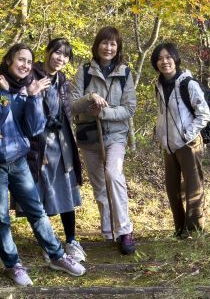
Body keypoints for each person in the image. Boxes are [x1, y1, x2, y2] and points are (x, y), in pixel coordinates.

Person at [0, 43, 86, 286]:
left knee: (37, 210)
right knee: (0, 216)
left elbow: (34, 129)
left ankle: (56, 256)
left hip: (18, 159)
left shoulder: (26, 88)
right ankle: (13, 265)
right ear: (10, 60)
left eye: (29, 62)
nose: (25, 65)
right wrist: (3, 94)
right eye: (20, 60)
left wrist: (32, 98)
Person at [71, 26, 137, 255]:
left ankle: (125, 230)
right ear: (97, 44)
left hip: (115, 135)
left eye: (113, 44)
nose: (108, 48)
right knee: (100, 185)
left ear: (117, 48)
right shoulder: (85, 71)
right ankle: (110, 230)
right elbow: (70, 104)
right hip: (89, 135)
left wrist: (105, 113)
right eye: (104, 43)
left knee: (113, 174)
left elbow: (129, 109)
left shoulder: (125, 73)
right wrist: (90, 98)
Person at [22, 38, 87, 263]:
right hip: (40, 142)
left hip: (61, 141)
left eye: (66, 55)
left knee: (67, 187)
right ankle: (49, 244)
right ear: (48, 52)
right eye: (57, 52)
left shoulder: (62, 80)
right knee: (45, 191)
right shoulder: (32, 75)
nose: (61, 58)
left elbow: (66, 111)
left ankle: (71, 240)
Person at [150, 42, 210, 238]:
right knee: (172, 188)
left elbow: (204, 114)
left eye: (168, 57)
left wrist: (187, 135)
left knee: (194, 187)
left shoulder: (188, 84)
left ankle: (193, 231)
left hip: (189, 143)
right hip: (169, 145)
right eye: (160, 58)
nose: (164, 61)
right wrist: (161, 136)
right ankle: (179, 229)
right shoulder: (159, 85)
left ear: (175, 59)